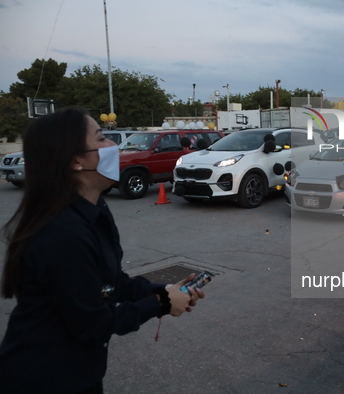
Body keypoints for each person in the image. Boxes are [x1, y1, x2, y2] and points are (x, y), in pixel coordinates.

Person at [0, 108, 204, 394]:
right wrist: (161, 303)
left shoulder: (94, 210)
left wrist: (164, 289)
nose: (113, 146)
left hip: (80, 372)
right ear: (76, 161)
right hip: (45, 378)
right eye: (102, 139)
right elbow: (91, 324)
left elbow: (111, 282)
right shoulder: (62, 232)